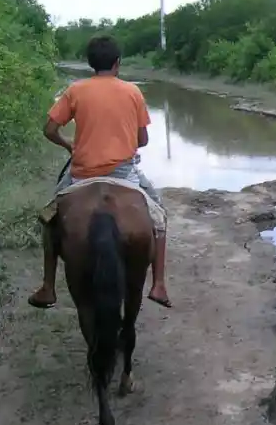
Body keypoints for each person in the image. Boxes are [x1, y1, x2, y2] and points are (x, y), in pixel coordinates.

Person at [28, 36, 172, 309]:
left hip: (81, 174)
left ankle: (47, 287)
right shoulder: (133, 92)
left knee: (49, 218)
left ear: (90, 63)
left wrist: (69, 145)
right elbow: (142, 141)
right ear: (118, 63)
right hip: (124, 173)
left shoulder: (75, 90)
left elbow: (49, 130)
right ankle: (159, 284)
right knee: (159, 215)